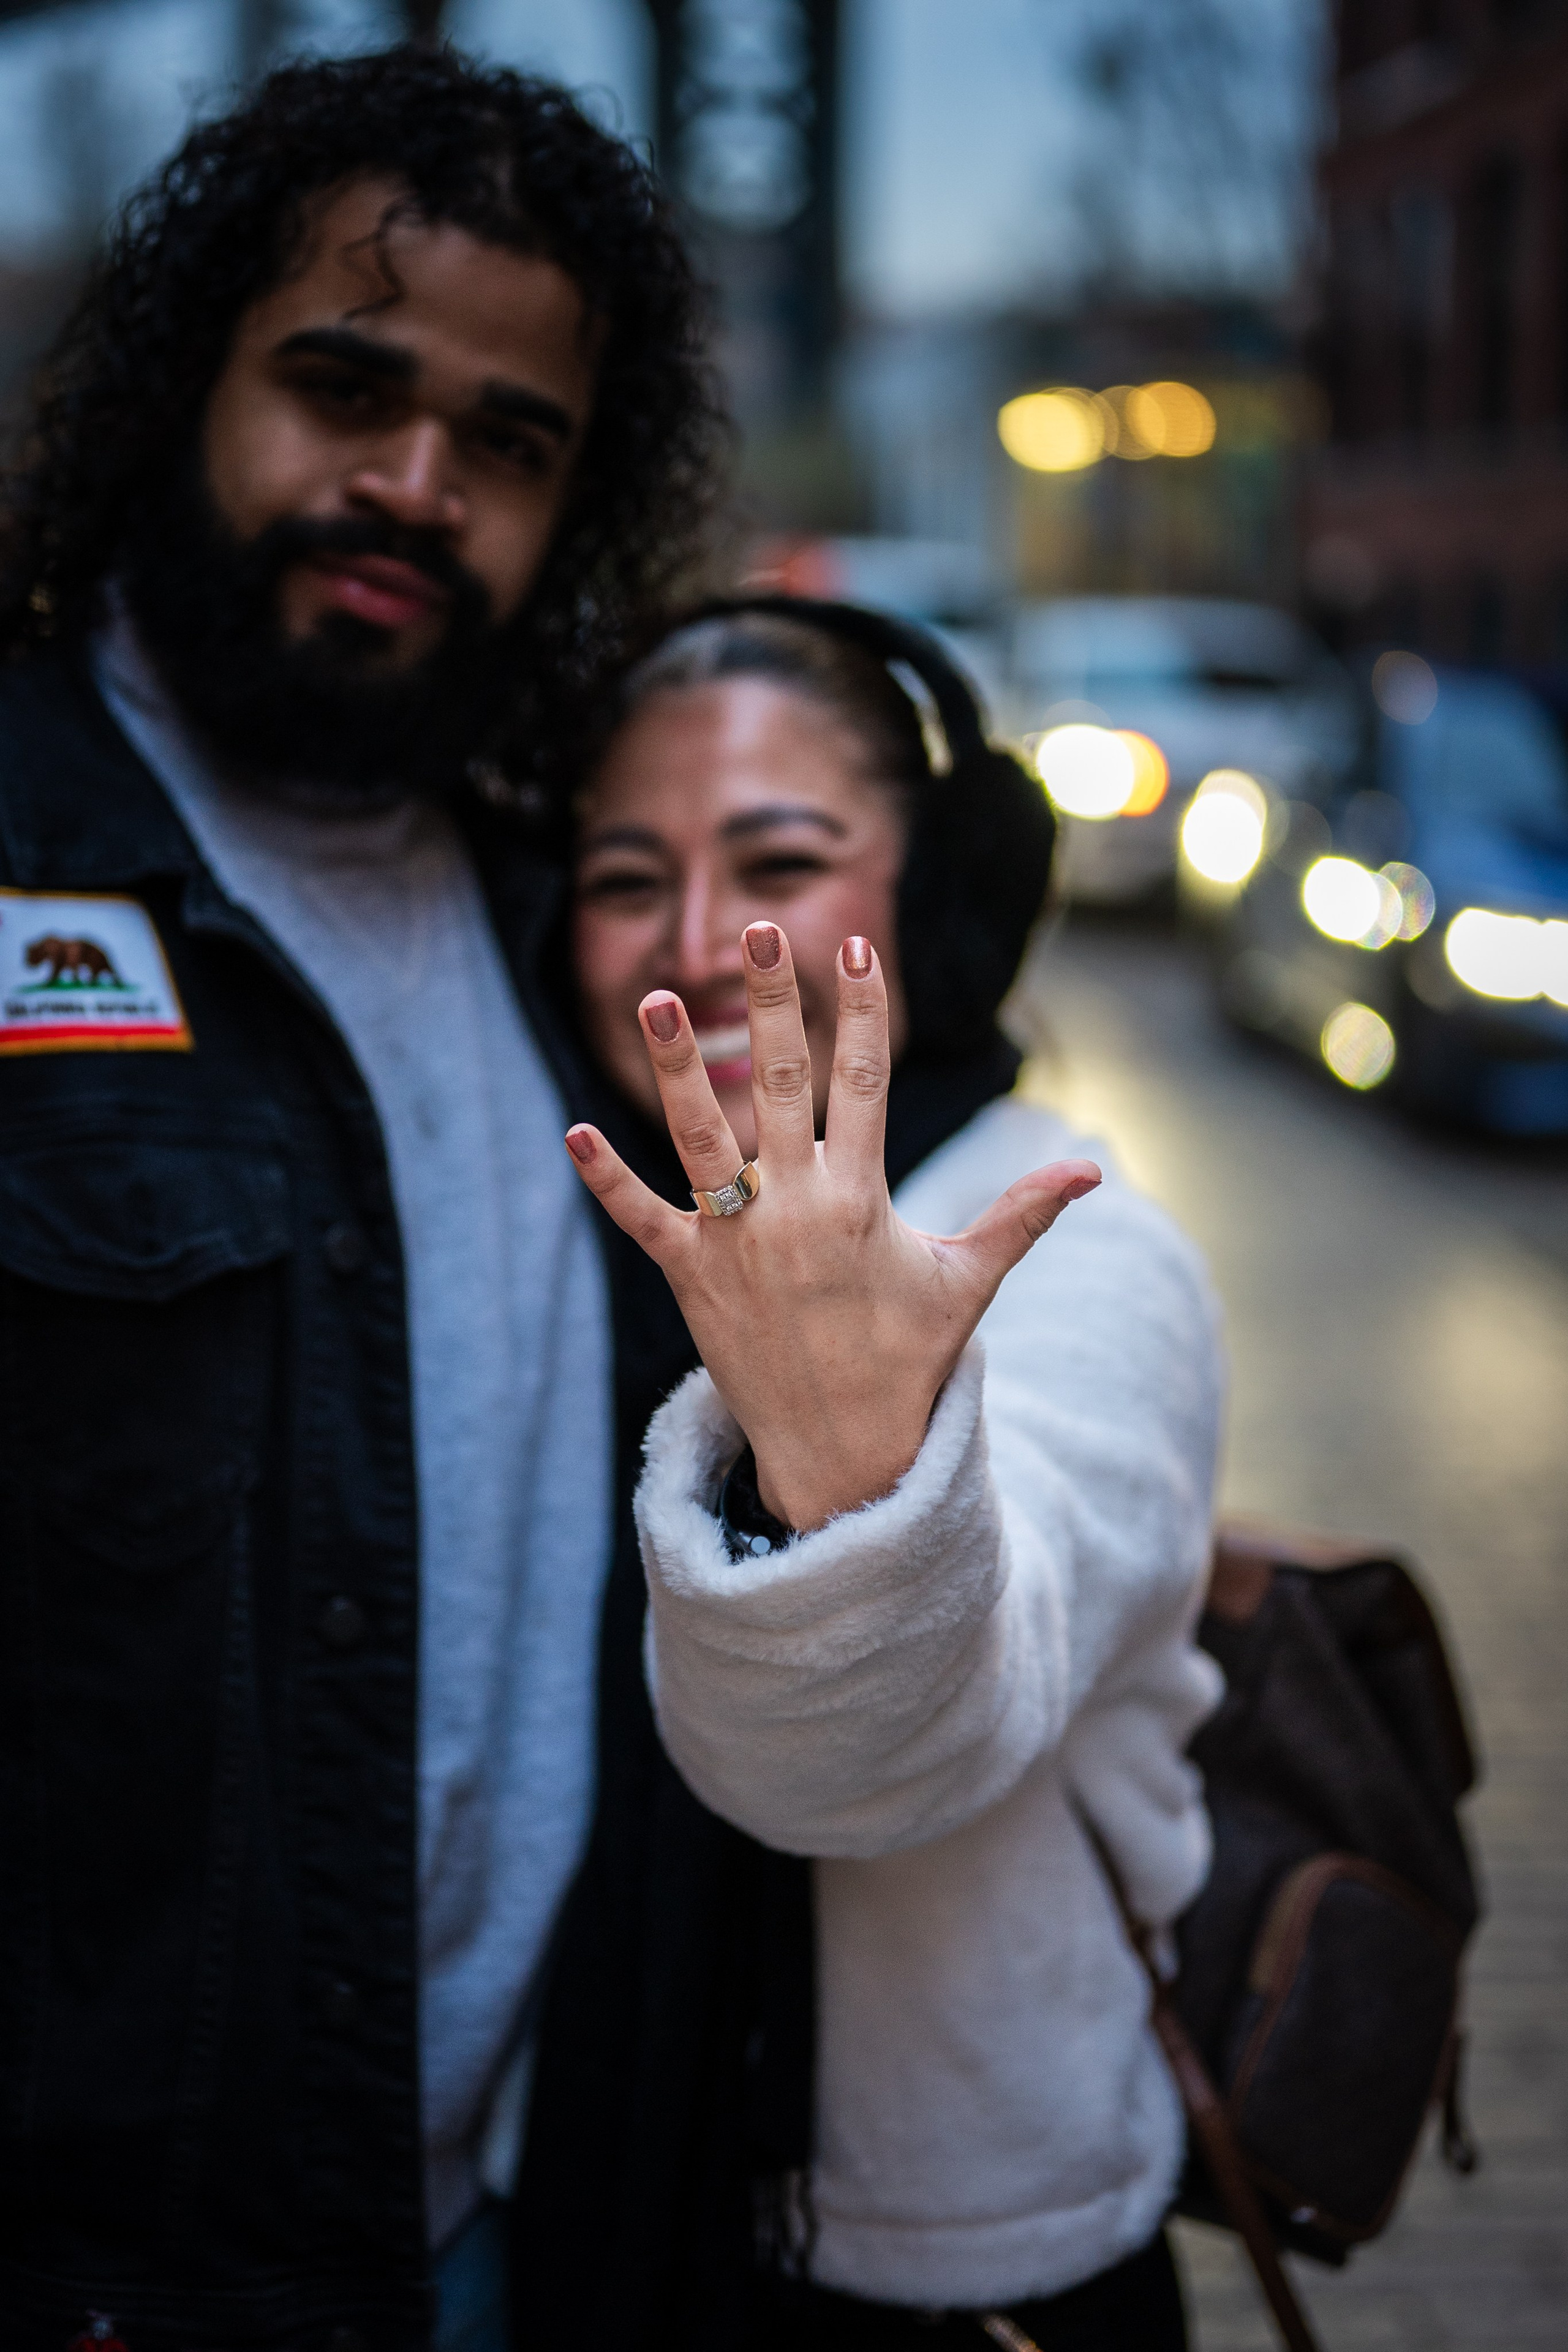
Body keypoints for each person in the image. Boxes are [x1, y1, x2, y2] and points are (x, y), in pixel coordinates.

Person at [0, 47, 722, 2352]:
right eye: (343, 385)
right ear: (181, 382)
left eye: (510, 443)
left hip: (524, 2231)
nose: (415, 486)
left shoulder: (565, 923)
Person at [553, 603, 1225, 2349]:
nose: (698, 941)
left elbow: (878, 1757)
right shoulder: (579, 1230)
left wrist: (844, 1453)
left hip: (953, 2287)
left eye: (779, 856)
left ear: (940, 900)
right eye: (628, 877)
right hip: (601, 2207)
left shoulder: (1078, 1248)